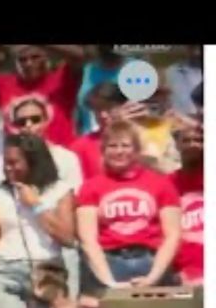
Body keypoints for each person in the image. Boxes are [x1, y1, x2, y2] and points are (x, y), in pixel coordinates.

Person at [0, 134, 77, 308]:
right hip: (8, 273)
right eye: (5, 164)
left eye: (14, 163)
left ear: (33, 161)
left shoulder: (59, 190)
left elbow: (68, 238)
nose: (8, 169)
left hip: (48, 270)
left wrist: (36, 205)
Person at [75, 120, 182, 297]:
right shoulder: (90, 187)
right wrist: (109, 282)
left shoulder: (161, 184)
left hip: (151, 260)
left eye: (126, 145)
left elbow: (173, 234)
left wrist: (153, 277)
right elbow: (87, 239)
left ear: (137, 150)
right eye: (112, 146)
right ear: (103, 150)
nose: (119, 151)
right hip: (109, 261)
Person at [0, 45, 86, 146]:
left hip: (59, 156)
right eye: (23, 60)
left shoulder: (61, 81)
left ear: (46, 57)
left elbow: (79, 57)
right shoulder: (3, 84)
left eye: (35, 57)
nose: (28, 63)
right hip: (19, 157)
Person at [0, 98, 83, 193]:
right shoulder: (6, 159)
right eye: (22, 122)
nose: (28, 125)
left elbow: (75, 194)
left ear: (46, 120)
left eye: (35, 120)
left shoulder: (66, 157)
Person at [69, 82, 127, 181]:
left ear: (124, 106)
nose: (103, 115)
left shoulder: (141, 141)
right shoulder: (80, 147)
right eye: (98, 109)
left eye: (109, 108)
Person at [170, 124, 203, 286]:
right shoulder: (168, 184)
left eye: (199, 140)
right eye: (186, 140)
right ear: (177, 144)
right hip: (186, 272)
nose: (192, 145)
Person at [165, 45, 203, 118]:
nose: (197, 52)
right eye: (193, 47)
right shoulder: (175, 70)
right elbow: (187, 105)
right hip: (187, 122)